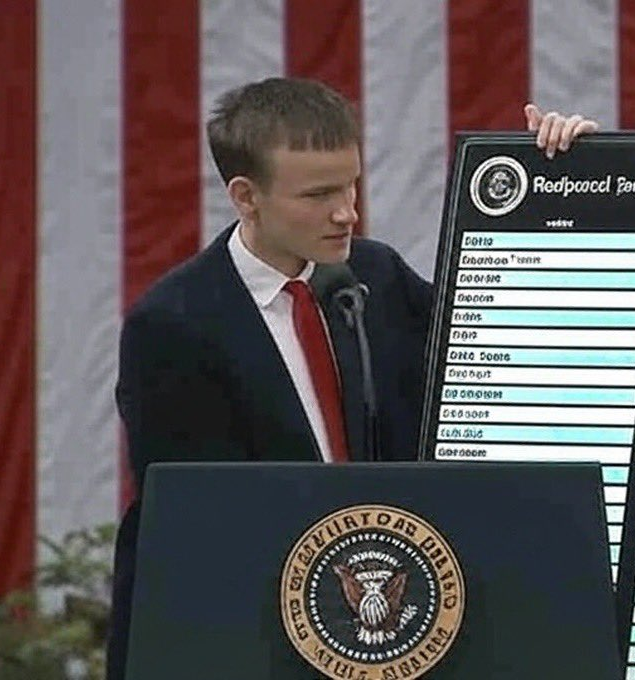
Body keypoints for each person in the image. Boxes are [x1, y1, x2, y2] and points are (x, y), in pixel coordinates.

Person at [107, 76, 599, 678]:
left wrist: (559, 189)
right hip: (254, 641)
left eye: (351, 184)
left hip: (397, 634)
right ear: (246, 196)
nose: (347, 212)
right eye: (319, 195)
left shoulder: (377, 276)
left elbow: (503, 349)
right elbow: (201, 525)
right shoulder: (172, 325)